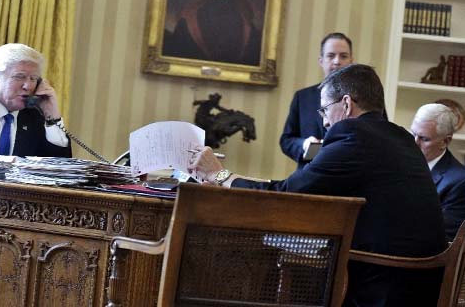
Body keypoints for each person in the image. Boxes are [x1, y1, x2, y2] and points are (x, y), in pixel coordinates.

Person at [189, 64, 446, 306]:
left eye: (324, 109)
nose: (323, 121)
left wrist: (219, 176)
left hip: (383, 285)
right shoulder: (399, 137)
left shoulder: (354, 137)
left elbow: (286, 197)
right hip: (422, 280)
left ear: (346, 104)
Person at [279, 32, 353, 169]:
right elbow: (286, 140)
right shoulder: (303, 97)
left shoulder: (366, 97)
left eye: (343, 56)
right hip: (310, 175)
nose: (337, 61)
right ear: (321, 60)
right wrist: (304, 145)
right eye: (331, 56)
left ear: (351, 61)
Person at [411, 103, 465, 241]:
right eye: (413, 134)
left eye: (424, 139)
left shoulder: (459, 181)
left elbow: (443, 237)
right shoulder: (400, 164)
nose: (414, 143)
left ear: (445, 141)